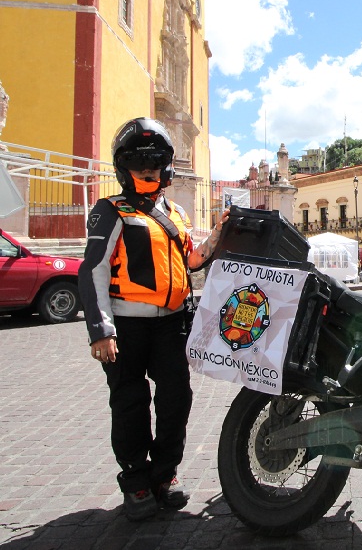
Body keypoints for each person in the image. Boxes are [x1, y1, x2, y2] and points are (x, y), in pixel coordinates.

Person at [79, 118, 229, 521]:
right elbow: (91, 270)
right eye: (138, 160)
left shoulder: (175, 213)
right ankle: (137, 482)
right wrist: (100, 330)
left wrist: (215, 237)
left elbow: (191, 261)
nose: (147, 168)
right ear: (123, 167)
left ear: (167, 166)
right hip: (126, 326)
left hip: (171, 323)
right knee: (130, 402)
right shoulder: (109, 210)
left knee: (176, 399)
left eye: (155, 160)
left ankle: (165, 475)